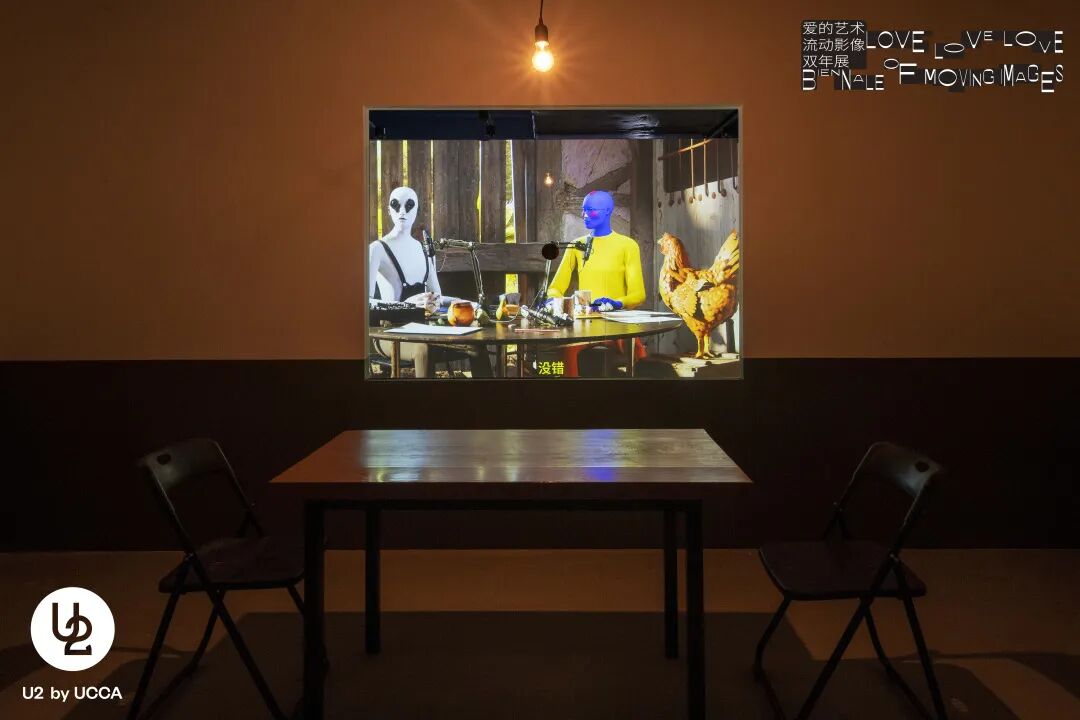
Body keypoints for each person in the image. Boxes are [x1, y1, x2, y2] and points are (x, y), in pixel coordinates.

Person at [368, 186, 491, 378]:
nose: (402, 211)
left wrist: (467, 303)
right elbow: (365, 304)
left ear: (416, 209)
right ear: (389, 209)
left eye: (409, 205)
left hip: (423, 329)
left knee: (477, 343)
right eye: (396, 205)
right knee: (422, 350)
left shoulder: (423, 249)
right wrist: (406, 305)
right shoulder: (377, 249)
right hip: (389, 332)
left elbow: (437, 298)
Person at [545, 190, 648, 376]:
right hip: (584, 324)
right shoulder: (576, 246)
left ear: (608, 211)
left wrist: (617, 303)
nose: (584, 215)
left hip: (618, 323)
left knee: (638, 351)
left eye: (590, 210)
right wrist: (558, 302)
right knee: (567, 350)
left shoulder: (628, 246)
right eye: (583, 210)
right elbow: (554, 288)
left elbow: (639, 294)